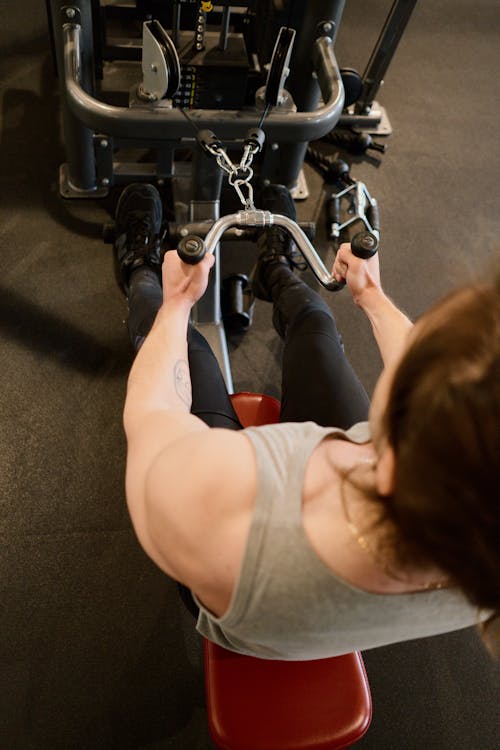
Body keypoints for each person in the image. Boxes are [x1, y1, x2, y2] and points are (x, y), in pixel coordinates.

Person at [116, 182, 499, 660]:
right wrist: (373, 298)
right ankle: (274, 269)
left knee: (180, 343)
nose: (412, 342)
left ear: (395, 451)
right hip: (357, 556)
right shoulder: (477, 524)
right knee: (317, 323)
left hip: (245, 600)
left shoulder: (207, 510)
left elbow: (154, 414)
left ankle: (140, 273)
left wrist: (178, 304)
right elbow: (459, 385)